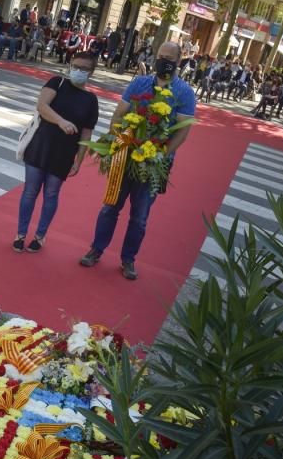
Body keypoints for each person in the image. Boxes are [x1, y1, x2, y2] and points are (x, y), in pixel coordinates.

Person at [80, 41, 197, 280]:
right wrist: (120, 141)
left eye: (169, 58)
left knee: (140, 216)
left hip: (154, 162)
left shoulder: (184, 92)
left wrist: (161, 154)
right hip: (127, 153)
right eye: (160, 55)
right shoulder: (139, 83)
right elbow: (119, 114)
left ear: (178, 61)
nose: (163, 61)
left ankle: (128, 259)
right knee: (110, 206)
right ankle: (96, 249)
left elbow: (182, 131)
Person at [15, 51, 100, 253]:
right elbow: (42, 106)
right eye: (75, 66)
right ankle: (20, 234)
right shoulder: (57, 82)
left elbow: (86, 134)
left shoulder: (91, 100)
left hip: (64, 152)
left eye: (84, 68)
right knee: (30, 192)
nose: (78, 71)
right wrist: (61, 121)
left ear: (92, 72)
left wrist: (79, 161)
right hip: (40, 145)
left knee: (51, 194)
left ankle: (40, 236)